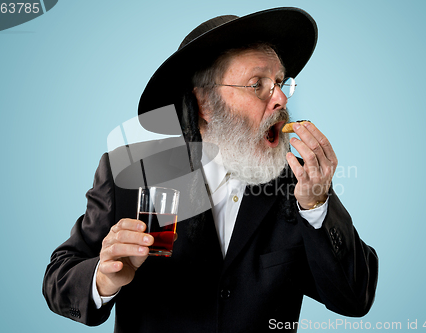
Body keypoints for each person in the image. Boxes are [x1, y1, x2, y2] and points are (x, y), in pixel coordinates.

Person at [43, 7, 378, 333]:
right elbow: (59, 277)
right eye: (257, 84)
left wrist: (318, 207)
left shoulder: (303, 184)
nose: (280, 99)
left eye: (279, 82)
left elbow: (354, 298)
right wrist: (103, 276)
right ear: (204, 103)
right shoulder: (129, 173)